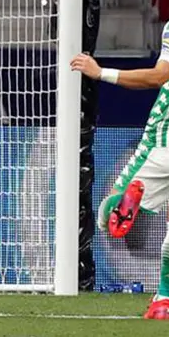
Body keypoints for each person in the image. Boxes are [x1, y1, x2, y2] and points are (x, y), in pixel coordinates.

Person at [72, 34, 169, 320]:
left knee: (108, 214)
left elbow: (159, 76)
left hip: (164, 138)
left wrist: (101, 72)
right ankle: (163, 298)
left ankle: (124, 198)